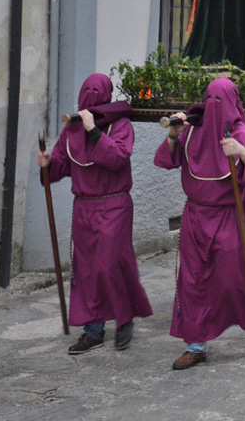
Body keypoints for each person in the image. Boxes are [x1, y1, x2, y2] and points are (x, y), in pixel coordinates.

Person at [155, 78, 245, 370]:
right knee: (192, 282)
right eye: (209, 99)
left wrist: (242, 152)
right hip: (195, 217)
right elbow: (166, 160)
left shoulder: (241, 132)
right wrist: (173, 135)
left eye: (219, 100)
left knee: (233, 278)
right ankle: (195, 346)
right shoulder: (192, 131)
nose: (213, 106)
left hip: (228, 216)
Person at [36, 74, 153, 355]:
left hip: (114, 204)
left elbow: (117, 158)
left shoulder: (120, 124)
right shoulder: (70, 130)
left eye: (95, 91)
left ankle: (124, 319)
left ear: (106, 95)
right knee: (87, 271)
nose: (89, 94)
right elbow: (61, 166)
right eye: (85, 89)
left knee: (110, 265)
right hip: (84, 207)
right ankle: (94, 330)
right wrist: (47, 164)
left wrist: (94, 132)